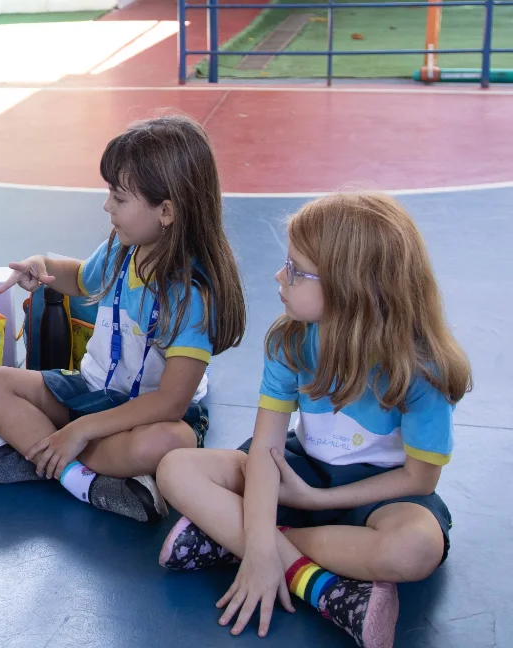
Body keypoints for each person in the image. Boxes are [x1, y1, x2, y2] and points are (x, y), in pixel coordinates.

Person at [156, 193, 471, 648]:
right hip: (297, 470)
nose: (279, 276)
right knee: (176, 468)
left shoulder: (423, 369)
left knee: (415, 548)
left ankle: (233, 540)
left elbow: (419, 479)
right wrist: (266, 539)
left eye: (296, 270)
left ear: (351, 287)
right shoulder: (288, 340)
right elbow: (267, 449)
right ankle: (321, 586)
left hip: (381, 493)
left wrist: (295, 516)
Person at [0, 115, 246, 522]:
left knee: (169, 442)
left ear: (166, 211)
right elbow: (81, 278)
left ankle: (41, 453)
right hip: (89, 390)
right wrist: (43, 265)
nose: (106, 206)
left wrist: (80, 430)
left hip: (147, 416)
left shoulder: (191, 296)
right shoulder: (122, 247)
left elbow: (171, 403)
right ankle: (85, 479)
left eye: (119, 197)